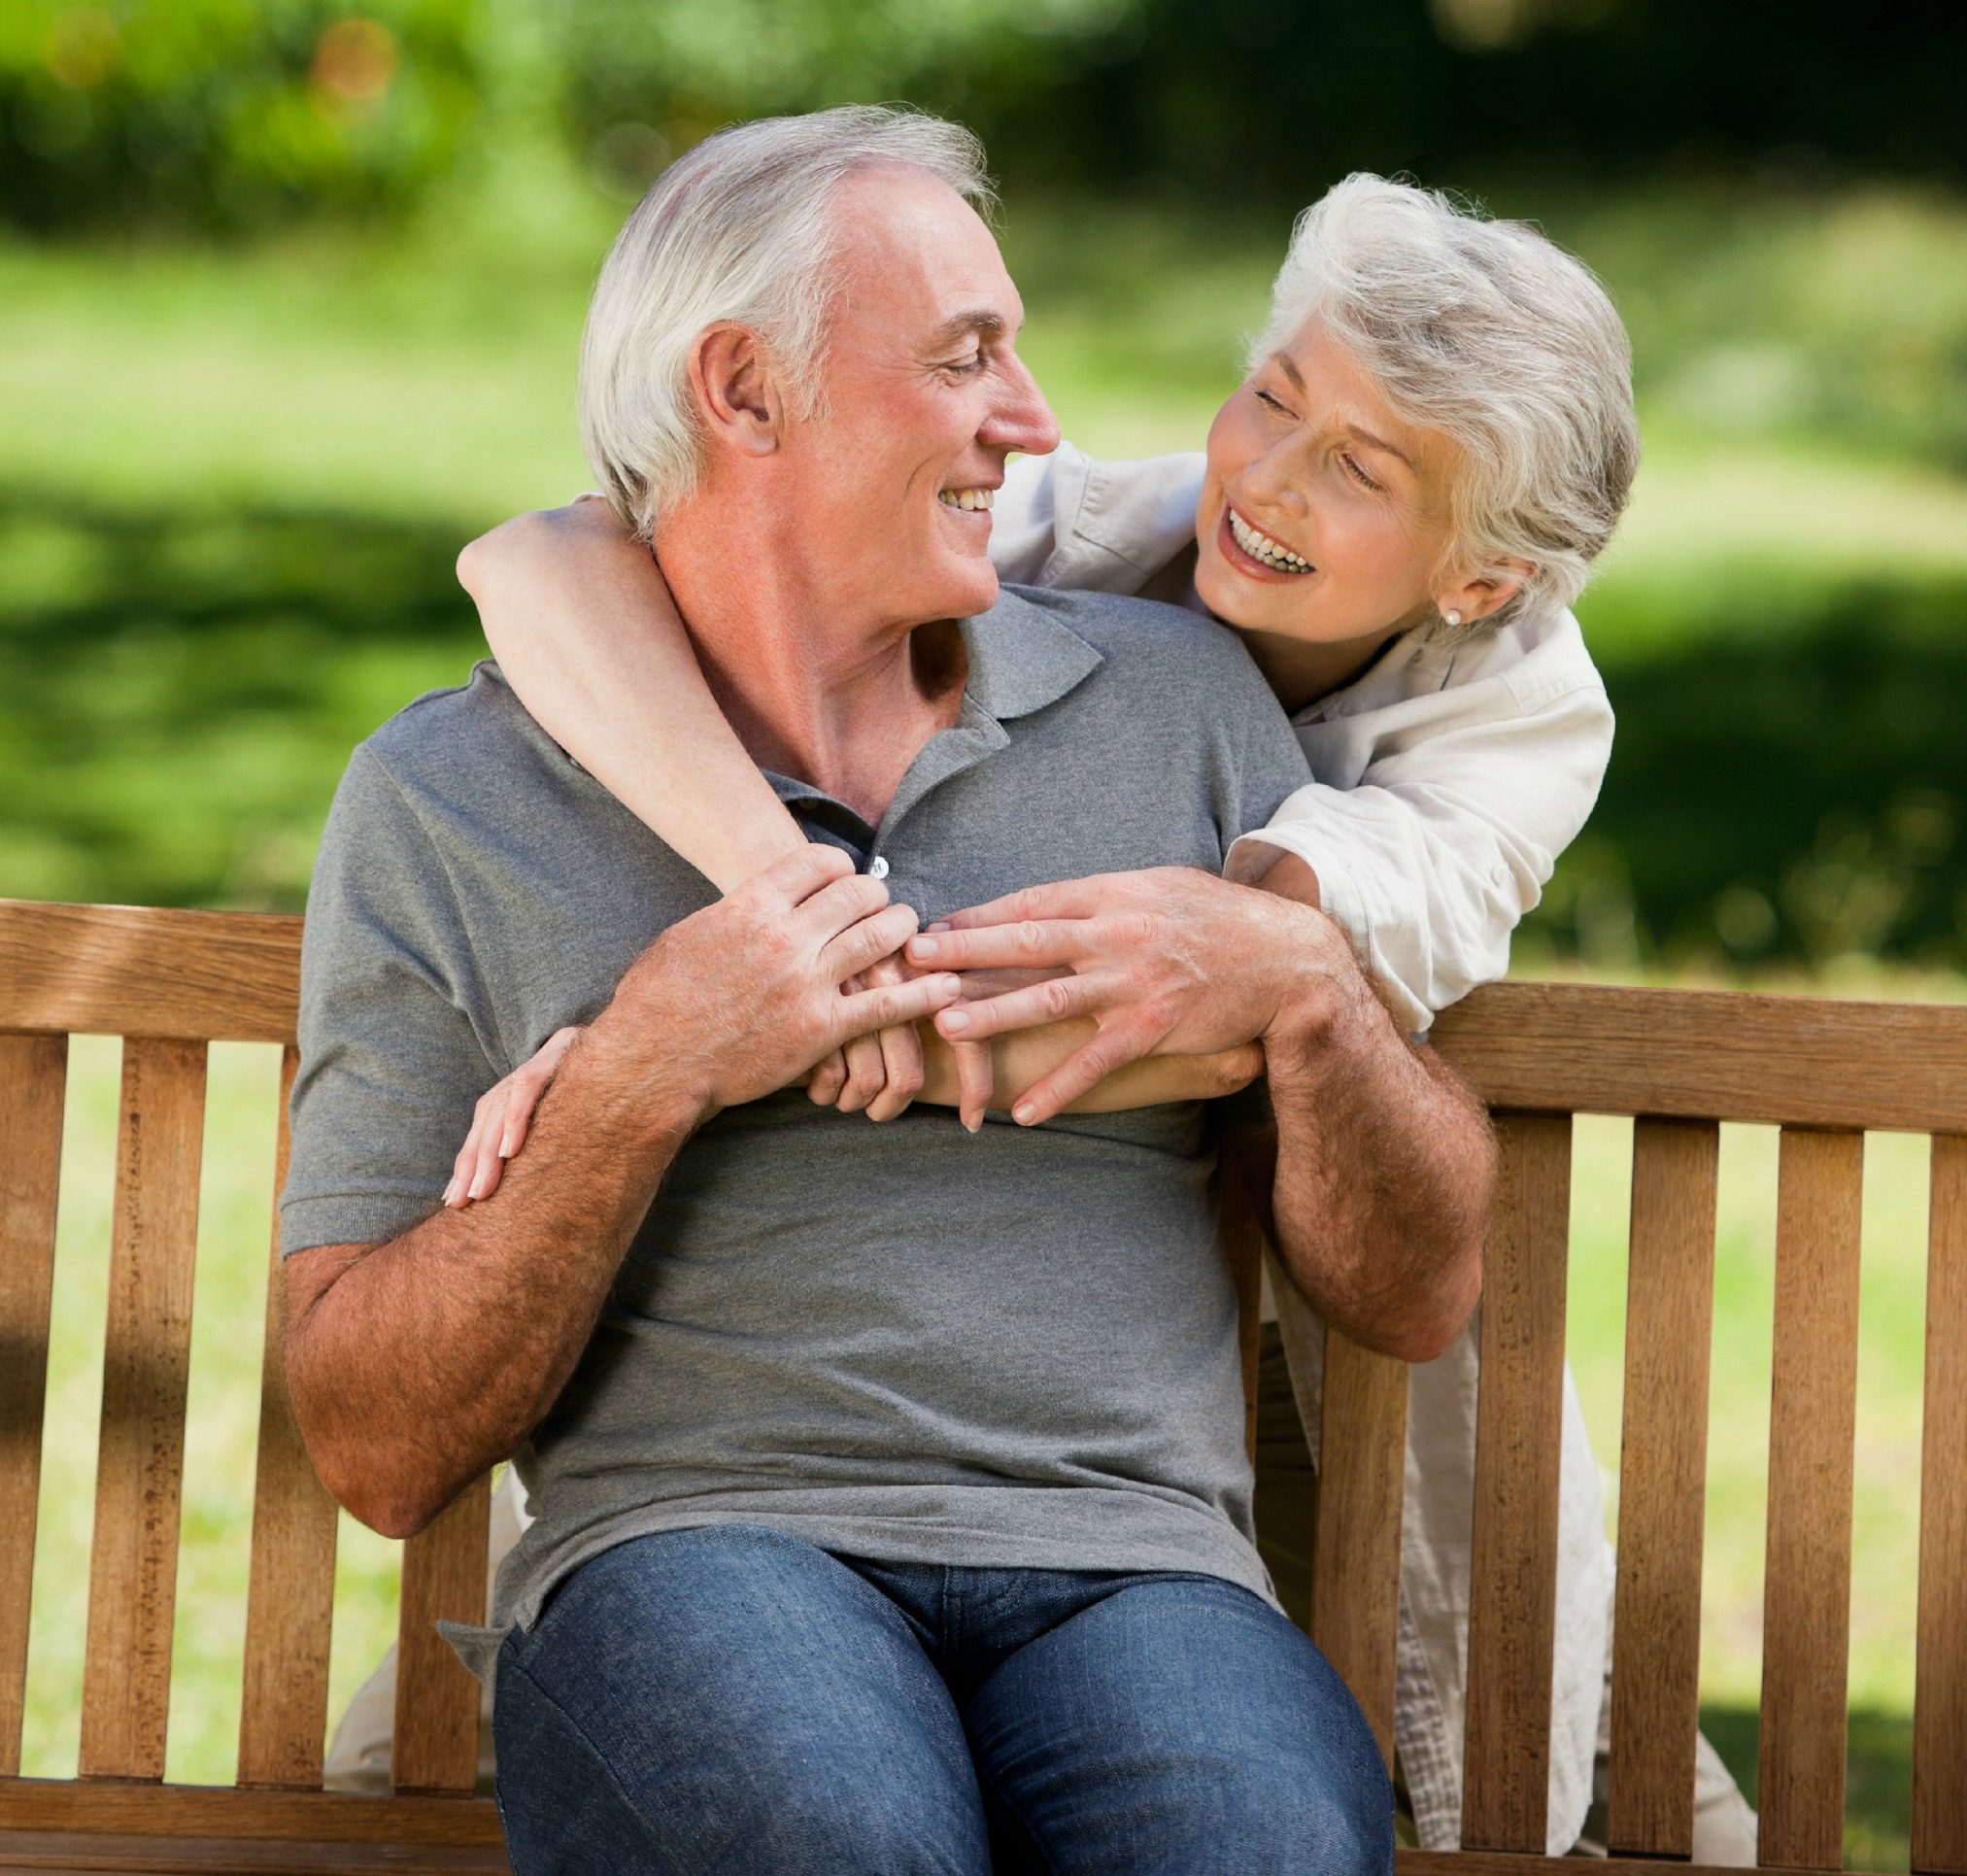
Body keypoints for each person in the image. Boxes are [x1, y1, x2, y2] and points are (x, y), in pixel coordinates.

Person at [427, 173, 1757, 1858]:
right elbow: (541, 563)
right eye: (1275, 394)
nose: (1266, 478)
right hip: (961, 1329)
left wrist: (683, 1043)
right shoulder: (1091, 535)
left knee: (1570, 1786)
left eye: (1360, 468)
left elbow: (1207, 1006)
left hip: (1271, 1324)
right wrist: (773, 915)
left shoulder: (1514, 724)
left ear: (1481, 579)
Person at [280, 106, 1496, 1875]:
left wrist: (1314, 994)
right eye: (964, 358)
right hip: (697, 1554)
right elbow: (372, 1447)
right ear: (746, 393)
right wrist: (643, 1075)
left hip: (1137, 1572)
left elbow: (1413, 1286)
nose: (1037, 421)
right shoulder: (450, 800)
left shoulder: (1180, 709)